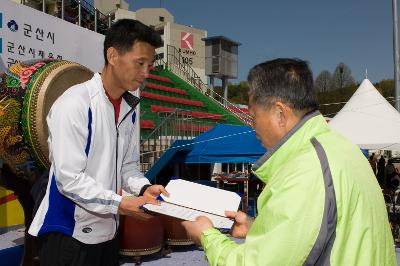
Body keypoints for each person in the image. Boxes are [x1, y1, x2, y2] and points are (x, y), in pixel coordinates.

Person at [182, 58, 396, 265]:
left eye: (254, 116)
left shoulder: (306, 170)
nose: (253, 127)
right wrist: (259, 228)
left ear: (280, 114)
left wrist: (207, 236)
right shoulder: (341, 149)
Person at [28, 19, 168, 266]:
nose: (146, 73)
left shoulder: (129, 108)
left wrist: (144, 189)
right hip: (69, 233)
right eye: (140, 63)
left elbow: (128, 166)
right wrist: (121, 203)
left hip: (108, 231)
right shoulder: (75, 103)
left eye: (150, 65)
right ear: (112, 55)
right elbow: (69, 179)